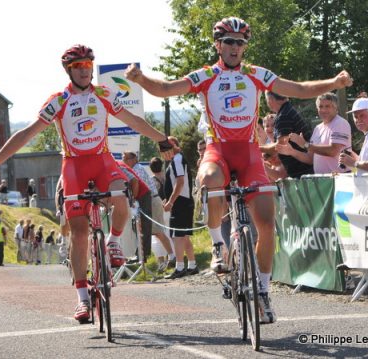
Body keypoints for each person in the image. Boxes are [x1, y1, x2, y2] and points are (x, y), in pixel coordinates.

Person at [125, 16, 353, 323]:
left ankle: (262, 290)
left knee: (267, 220)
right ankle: (219, 246)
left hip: (248, 153)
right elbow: (166, 88)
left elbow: (298, 88)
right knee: (209, 179)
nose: (235, 47)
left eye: (240, 42)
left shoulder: (255, 74)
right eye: (229, 42)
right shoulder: (206, 75)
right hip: (218, 150)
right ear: (218, 45)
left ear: (245, 47)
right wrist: (141, 80)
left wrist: (333, 83)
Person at [0, 44, 173, 323]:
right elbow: (28, 133)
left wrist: (161, 138)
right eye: (78, 67)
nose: (84, 71)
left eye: (88, 66)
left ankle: (114, 242)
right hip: (74, 166)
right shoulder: (59, 100)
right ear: (69, 70)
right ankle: (81, 299)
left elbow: (132, 120)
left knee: (120, 194)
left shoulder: (103, 94)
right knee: (79, 234)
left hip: (102, 160)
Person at [279, 92, 352, 174]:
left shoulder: (340, 123)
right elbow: (310, 159)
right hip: (323, 180)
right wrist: (292, 151)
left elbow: (333, 151)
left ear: (335, 108)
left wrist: (305, 144)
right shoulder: (318, 128)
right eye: (320, 106)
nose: (323, 110)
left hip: (339, 178)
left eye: (327, 106)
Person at [122, 152, 175, 263]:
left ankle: (172, 256)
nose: (124, 162)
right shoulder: (137, 168)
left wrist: (134, 199)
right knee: (155, 232)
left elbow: (136, 184)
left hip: (152, 200)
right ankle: (166, 258)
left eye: (126, 159)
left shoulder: (137, 169)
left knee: (157, 231)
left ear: (134, 159)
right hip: (151, 200)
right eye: (123, 159)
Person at [162, 137, 198, 279]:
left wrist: (171, 201)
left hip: (181, 203)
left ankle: (179, 267)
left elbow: (180, 182)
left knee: (177, 236)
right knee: (184, 237)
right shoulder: (177, 159)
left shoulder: (177, 159)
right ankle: (192, 264)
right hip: (184, 201)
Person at [262, 91, 314, 178]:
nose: (270, 128)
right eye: (267, 126)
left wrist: (257, 149)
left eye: (272, 125)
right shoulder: (287, 111)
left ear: (270, 100)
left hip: (302, 175)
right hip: (302, 173)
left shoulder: (284, 115)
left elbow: (280, 146)